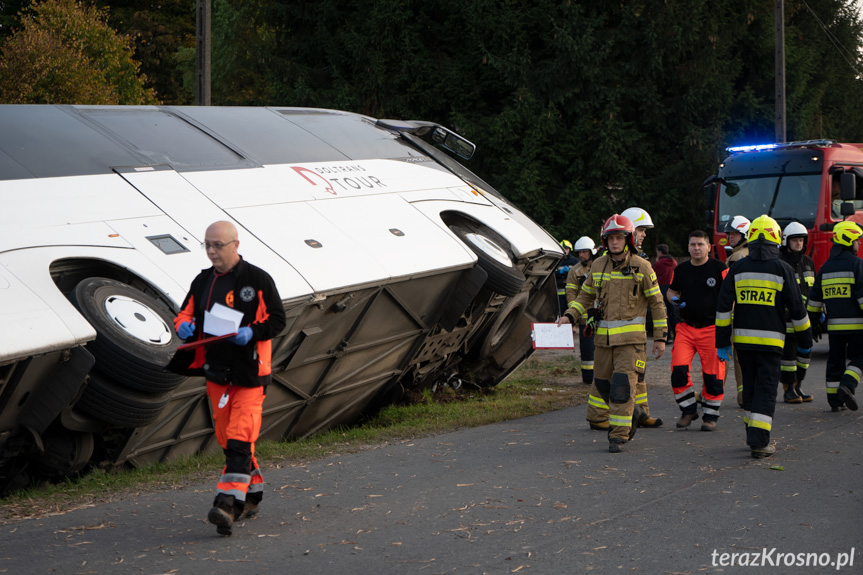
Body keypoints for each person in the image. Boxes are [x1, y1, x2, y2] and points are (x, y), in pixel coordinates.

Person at [168, 221, 286, 536]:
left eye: (217, 245)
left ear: (235, 244)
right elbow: (185, 313)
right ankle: (253, 495)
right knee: (227, 440)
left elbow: (277, 319)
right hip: (216, 374)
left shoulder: (258, 279)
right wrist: (183, 326)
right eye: (207, 244)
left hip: (250, 373)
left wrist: (252, 332)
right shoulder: (203, 281)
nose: (211, 251)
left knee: (239, 439)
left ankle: (227, 504)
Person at [557, 214, 668, 453]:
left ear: (628, 240)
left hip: (631, 343)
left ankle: (618, 435)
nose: (615, 242)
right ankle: (635, 413)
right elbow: (585, 296)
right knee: (603, 386)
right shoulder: (598, 266)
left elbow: (657, 303)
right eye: (611, 238)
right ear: (604, 241)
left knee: (621, 388)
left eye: (619, 238)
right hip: (603, 342)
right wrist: (569, 315)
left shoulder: (642, 266)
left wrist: (660, 337)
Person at [715, 215, 812, 458]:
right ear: (776, 239)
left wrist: (722, 341)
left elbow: (723, 307)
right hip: (771, 343)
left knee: (749, 387)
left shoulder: (737, 268)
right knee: (766, 391)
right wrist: (805, 341)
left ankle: (752, 433)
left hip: (744, 343)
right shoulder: (783, 269)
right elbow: (797, 309)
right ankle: (759, 443)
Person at [666, 231, 727, 431]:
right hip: (685, 328)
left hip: (712, 329)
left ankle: (710, 416)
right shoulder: (681, 269)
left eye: (701, 244)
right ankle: (688, 409)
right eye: (693, 244)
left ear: (709, 247)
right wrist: (675, 300)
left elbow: (731, 295)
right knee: (678, 370)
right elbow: (671, 291)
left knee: (713, 376)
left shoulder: (720, 268)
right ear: (688, 247)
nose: (696, 248)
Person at [805, 221, 863, 412]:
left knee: (835, 361)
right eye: (857, 240)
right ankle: (847, 384)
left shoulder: (825, 268)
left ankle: (835, 401)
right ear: (848, 240)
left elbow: (814, 300)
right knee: (860, 357)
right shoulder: (857, 265)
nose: (859, 244)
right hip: (857, 327)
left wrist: (813, 324)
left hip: (835, 328)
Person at [618, 206, 663, 428]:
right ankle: (601, 417)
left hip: (636, 329)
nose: (644, 235)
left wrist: (659, 335)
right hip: (616, 331)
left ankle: (642, 413)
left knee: (639, 373)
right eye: (642, 230)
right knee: (619, 378)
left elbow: (654, 299)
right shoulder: (611, 258)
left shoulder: (641, 259)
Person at [778, 222, 816, 403]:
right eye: (795, 240)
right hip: (786, 317)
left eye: (801, 240)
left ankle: (798, 385)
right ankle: (788, 389)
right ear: (787, 241)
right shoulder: (781, 262)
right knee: (789, 356)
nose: (798, 243)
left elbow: (813, 290)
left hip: (806, 318)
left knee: (805, 353)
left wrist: (819, 313)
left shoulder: (808, 262)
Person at [723, 215, 751, 406]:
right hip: (749, 314)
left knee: (723, 355)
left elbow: (729, 289)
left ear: (745, 235)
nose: (730, 237)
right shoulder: (750, 253)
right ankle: (744, 395)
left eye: (734, 234)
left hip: (734, 314)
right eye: (729, 233)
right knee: (743, 359)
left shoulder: (735, 257)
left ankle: (712, 392)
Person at [564, 236, 597, 386]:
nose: (582, 255)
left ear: (591, 252)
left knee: (602, 348)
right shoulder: (574, 271)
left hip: (601, 317)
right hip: (584, 318)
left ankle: (602, 376)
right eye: (579, 253)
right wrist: (574, 313)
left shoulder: (600, 267)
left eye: (584, 252)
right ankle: (588, 378)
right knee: (587, 350)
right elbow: (571, 293)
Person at [654, 244, 678, 342]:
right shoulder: (674, 262)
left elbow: (652, 274)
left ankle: (666, 336)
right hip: (672, 290)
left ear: (659, 252)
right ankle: (677, 335)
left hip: (661, 289)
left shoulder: (659, 263)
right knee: (673, 313)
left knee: (664, 314)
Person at [556, 239, 578, 315]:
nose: (565, 251)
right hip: (560, 291)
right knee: (562, 312)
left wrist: (570, 272)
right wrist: (560, 272)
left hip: (572, 291)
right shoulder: (557, 261)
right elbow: (552, 274)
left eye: (566, 249)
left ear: (570, 250)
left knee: (572, 310)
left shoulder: (575, 261)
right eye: (563, 249)